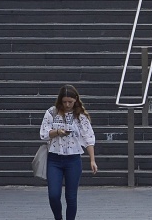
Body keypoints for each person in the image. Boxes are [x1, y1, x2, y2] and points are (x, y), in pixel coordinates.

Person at [40, 83, 96, 219]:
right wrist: (58, 132)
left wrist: (92, 159)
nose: (67, 105)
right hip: (54, 158)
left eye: (70, 102)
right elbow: (43, 133)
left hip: (73, 159)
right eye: (64, 102)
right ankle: (58, 217)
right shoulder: (52, 112)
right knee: (53, 194)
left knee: (71, 196)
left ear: (75, 99)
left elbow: (88, 138)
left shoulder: (80, 116)